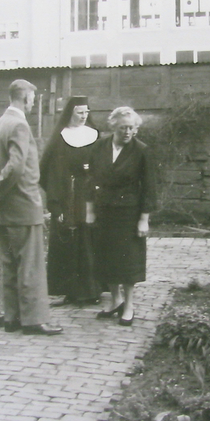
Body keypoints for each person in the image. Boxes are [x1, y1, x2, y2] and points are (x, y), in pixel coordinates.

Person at [0, 79, 63, 336]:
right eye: (33, 99)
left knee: (10, 264)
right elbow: (15, 166)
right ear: (25, 98)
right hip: (24, 206)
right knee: (31, 265)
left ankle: (13, 318)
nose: (34, 103)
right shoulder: (19, 125)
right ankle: (34, 321)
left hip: (3, 211)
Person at [86, 106, 157, 326]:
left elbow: (149, 187)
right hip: (104, 210)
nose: (127, 132)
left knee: (128, 261)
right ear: (113, 127)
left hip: (129, 212)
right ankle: (115, 300)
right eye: (123, 128)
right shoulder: (99, 147)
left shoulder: (142, 150)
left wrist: (144, 218)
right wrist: (89, 210)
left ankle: (128, 305)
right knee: (107, 258)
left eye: (132, 128)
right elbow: (90, 179)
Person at [39, 96, 101, 307]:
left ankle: (93, 289)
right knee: (71, 239)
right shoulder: (61, 138)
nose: (84, 116)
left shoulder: (95, 135)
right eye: (79, 112)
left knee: (90, 238)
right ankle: (70, 291)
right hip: (69, 195)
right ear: (70, 113)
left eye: (86, 112)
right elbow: (51, 171)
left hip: (92, 195)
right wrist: (56, 204)